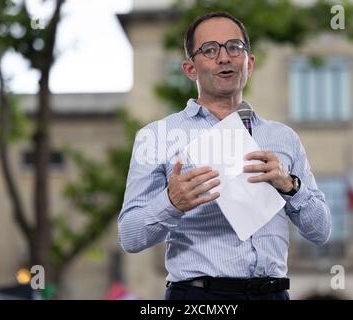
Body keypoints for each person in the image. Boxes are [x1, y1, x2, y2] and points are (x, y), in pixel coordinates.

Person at [118, 12, 331, 300]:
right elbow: (130, 236)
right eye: (209, 50)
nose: (224, 57)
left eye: (234, 47)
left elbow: (321, 231)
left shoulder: (283, 138)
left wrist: (290, 185)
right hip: (199, 298)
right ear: (190, 68)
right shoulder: (156, 136)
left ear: (249, 63)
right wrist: (171, 203)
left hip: (273, 294)